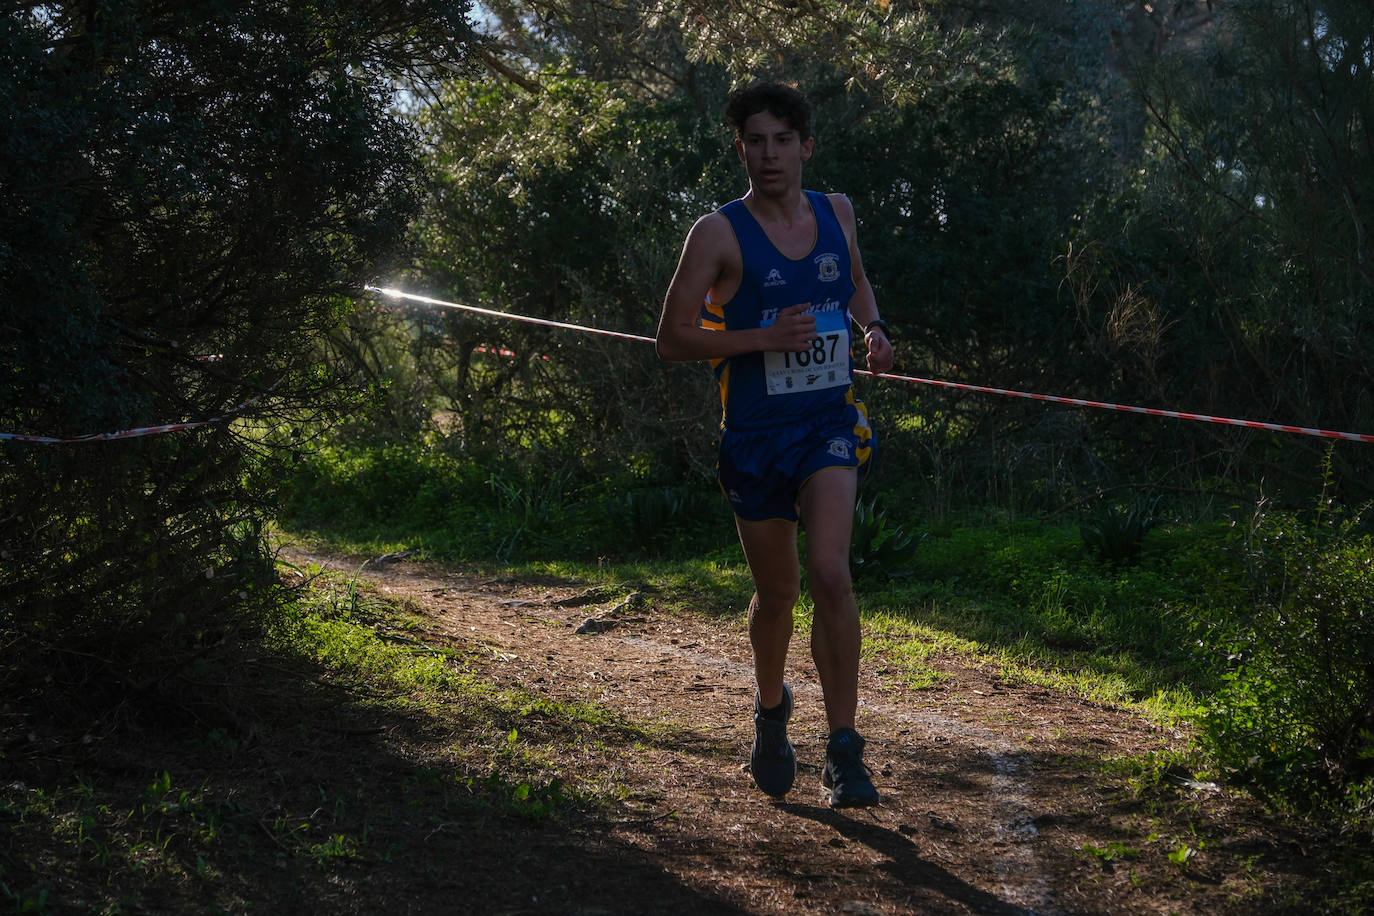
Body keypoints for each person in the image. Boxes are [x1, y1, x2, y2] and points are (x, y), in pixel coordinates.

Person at [656, 82, 894, 807]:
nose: (769, 156)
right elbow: (671, 340)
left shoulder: (837, 212)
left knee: (829, 573)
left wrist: (874, 330)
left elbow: (853, 281)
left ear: (805, 147)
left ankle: (846, 749)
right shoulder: (718, 234)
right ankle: (769, 712)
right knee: (778, 592)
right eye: (754, 142)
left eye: (781, 141)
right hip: (754, 437)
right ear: (740, 150)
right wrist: (761, 339)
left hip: (827, 422)